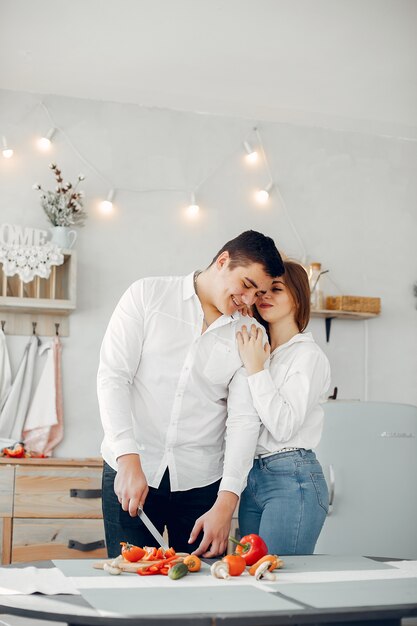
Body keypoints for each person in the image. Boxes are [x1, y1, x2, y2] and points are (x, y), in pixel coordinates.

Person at [97, 230, 284, 558]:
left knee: (203, 594)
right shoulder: (147, 295)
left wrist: (227, 503)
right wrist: (127, 457)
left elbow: (243, 421)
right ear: (223, 261)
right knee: (132, 587)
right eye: (247, 285)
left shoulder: (249, 332)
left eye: (260, 293)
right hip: (132, 470)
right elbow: (113, 377)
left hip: (203, 488)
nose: (250, 300)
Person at [236, 260, 331, 555]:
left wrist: (255, 369)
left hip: (292, 477)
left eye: (276, 289)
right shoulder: (259, 349)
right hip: (251, 478)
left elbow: (284, 425)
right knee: (251, 578)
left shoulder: (307, 355)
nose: (265, 296)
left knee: (281, 577)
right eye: (261, 291)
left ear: (298, 298)